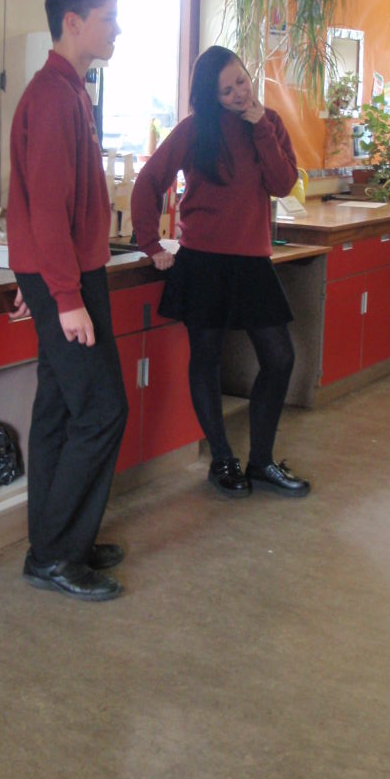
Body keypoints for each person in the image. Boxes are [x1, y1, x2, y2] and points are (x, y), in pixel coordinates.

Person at [130, 46, 310, 499]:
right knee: (206, 358)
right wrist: (150, 243)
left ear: (249, 75)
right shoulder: (194, 130)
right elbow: (148, 181)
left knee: (279, 358)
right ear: (211, 96)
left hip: (251, 260)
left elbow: (283, 184)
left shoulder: (269, 124)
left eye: (241, 82)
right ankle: (222, 459)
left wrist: (261, 126)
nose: (238, 94)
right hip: (204, 262)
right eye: (226, 91)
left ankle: (261, 462)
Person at [6, 0, 129, 601]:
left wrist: (39, 273)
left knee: (58, 408)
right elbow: (47, 207)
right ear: (73, 22)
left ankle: (58, 541)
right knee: (104, 410)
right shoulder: (52, 96)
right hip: (69, 281)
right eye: (109, 19)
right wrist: (62, 295)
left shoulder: (72, 91)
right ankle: (56, 553)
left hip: (68, 272)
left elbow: (39, 206)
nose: (118, 30)